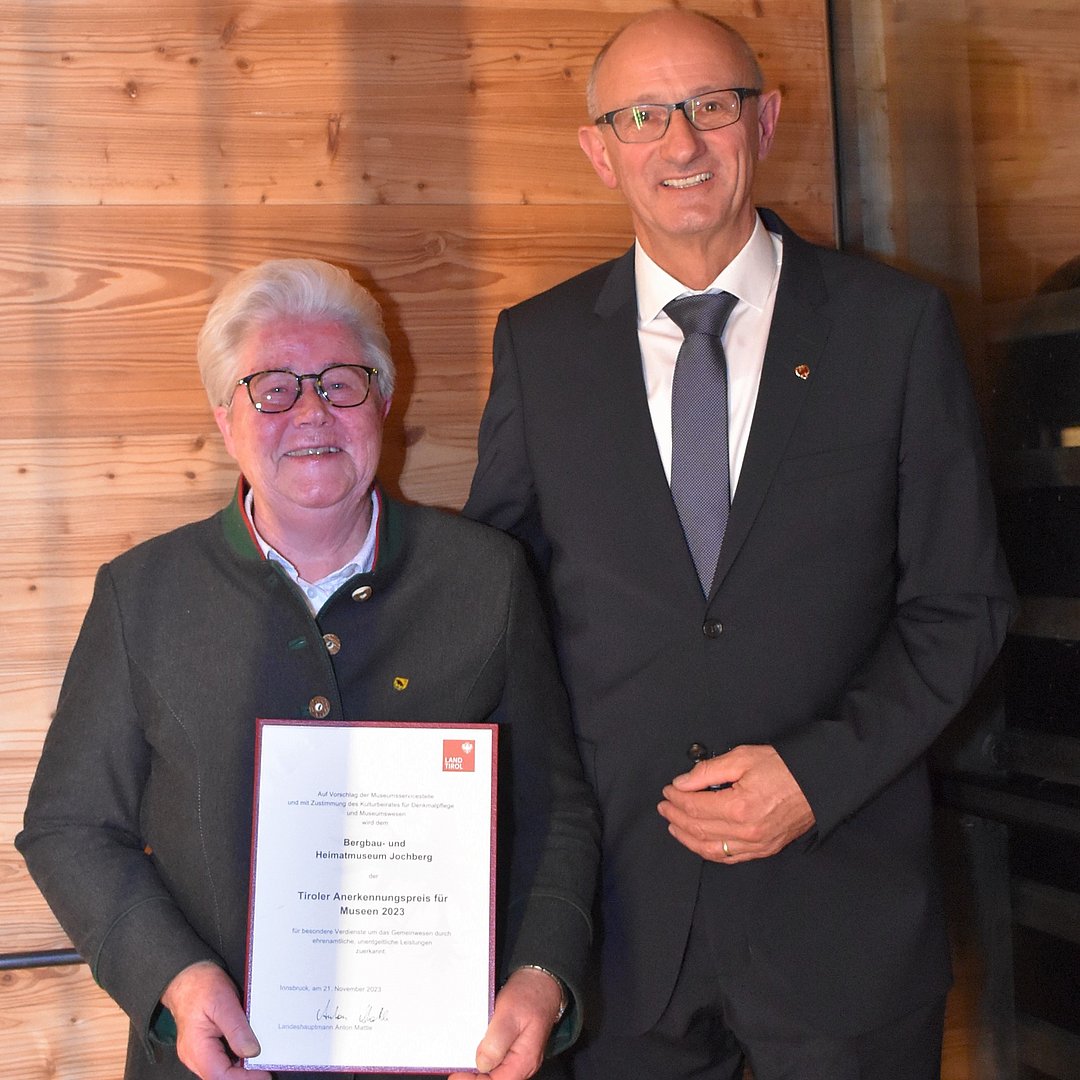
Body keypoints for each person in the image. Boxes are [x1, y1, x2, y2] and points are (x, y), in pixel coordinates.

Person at [463, 9, 1014, 1079]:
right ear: (599, 149)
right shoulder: (538, 347)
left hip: (843, 916)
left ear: (764, 122)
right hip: (619, 934)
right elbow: (500, 612)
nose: (679, 142)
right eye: (642, 116)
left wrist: (817, 775)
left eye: (710, 106)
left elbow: (963, 605)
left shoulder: (894, 327)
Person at [17, 258, 598, 1080]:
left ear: (383, 401)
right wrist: (174, 980)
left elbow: (557, 808)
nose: (313, 411)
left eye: (340, 383)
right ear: (225, 419)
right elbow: (69, 826)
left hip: (455, 1061)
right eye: (273, 389)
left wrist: (541, 977)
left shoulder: (487, 578)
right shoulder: (141, 594)